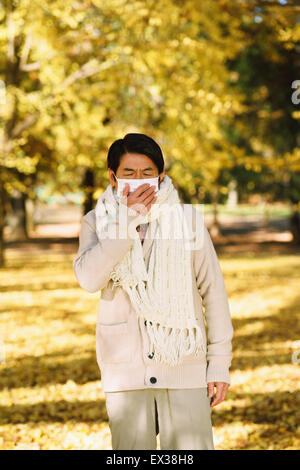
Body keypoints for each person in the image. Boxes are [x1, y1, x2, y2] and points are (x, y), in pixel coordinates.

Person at [73, 133, 234, 450]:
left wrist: (218, 364)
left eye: (147, 173)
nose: (138, 180)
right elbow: (89, 279)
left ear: (161, 176)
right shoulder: (96, 222)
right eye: (129, 173)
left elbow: (213, 292)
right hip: (125, 371)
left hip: (184, 365)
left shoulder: (188, 220)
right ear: (113, 177)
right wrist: (126, 221)